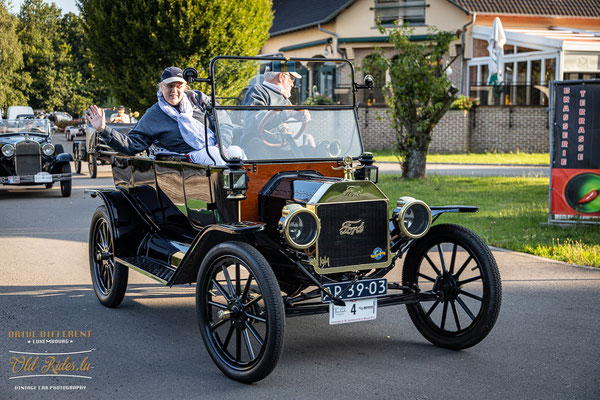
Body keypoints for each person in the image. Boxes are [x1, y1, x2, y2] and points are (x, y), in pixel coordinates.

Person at [87, 66, 235, 165]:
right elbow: (132, 144)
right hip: (185, 159)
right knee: (217, 158)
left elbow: (222, 120)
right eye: (170, 86)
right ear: (161, 87)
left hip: (216, 147)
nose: (174, 91)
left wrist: (223, 143)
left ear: (185, 87)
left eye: (179, 86)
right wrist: (103, 129)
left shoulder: (198, 99)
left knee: (238, 154)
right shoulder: (154, 114)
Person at [241, 61, 314, 157]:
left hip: (280, 147)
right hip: (261, 147)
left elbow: (289, 126)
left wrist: (302, 122)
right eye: (292, 79)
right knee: (257, 144)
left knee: (315, 148)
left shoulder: (285, 100)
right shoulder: (257, 91)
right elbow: (253, 121)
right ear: (282, 77)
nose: (292, 84)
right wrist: (287, 113)